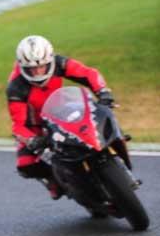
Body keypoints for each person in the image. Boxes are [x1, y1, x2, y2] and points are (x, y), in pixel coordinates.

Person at [7, 35, 114, 198]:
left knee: (100, 113)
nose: (37, 72)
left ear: (49, 60)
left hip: (63, 107)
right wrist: (31, 139)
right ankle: (53, 180)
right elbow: (18, 125)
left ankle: (114, 143)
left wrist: (103, 91)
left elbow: (88, 74)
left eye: (42, 67)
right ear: (22, 67)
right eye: (31, 69)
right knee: (25, 164)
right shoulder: (16, 87)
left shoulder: (59, 62)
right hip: (36, 124)